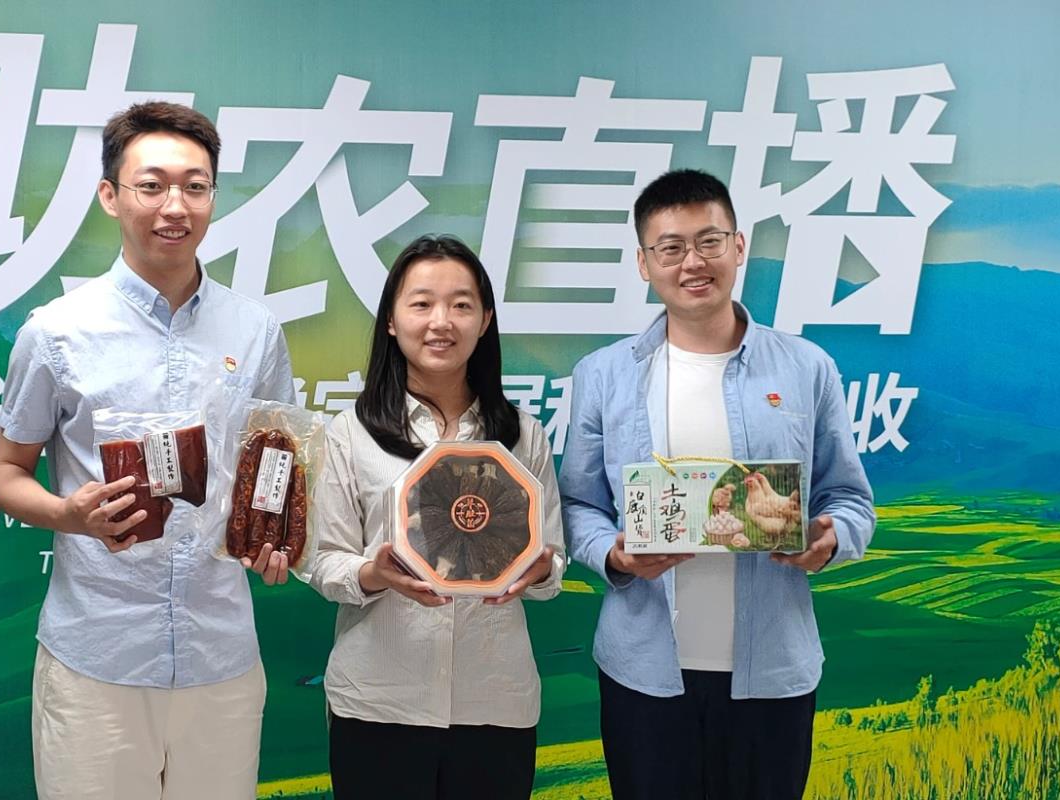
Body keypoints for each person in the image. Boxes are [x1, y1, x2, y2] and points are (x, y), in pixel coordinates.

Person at [0, 101, 295, 800]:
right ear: (110, 195)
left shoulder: (255, 331)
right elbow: (4, 473)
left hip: (221, 657)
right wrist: (70, 515)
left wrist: (273, 536)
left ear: (213, 196)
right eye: (151, 186)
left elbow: (273, 467)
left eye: (195, 186)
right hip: (97, 656)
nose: (174, 206)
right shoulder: (57, 332)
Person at [559, 169, 876, 799]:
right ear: (644, 263)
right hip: (643, 671)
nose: (693, 263)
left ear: (738, 246)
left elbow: (850, 498)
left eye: (709, 242)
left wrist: (830, 538)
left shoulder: (807, 368)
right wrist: (614, 555)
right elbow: (576, 504)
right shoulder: (603, 375)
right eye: (671, 248)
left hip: (772, 672)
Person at [307, 234, 566, 799]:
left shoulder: (523, 437)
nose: (441, 322)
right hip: (379, 701)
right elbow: (324, 561)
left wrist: (542, 570)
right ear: (392, 320)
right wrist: (373, 573)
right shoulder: (350, 434)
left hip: (495, 701)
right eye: (421, 303)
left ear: (485, 319)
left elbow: (551, 562)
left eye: (461, 304)